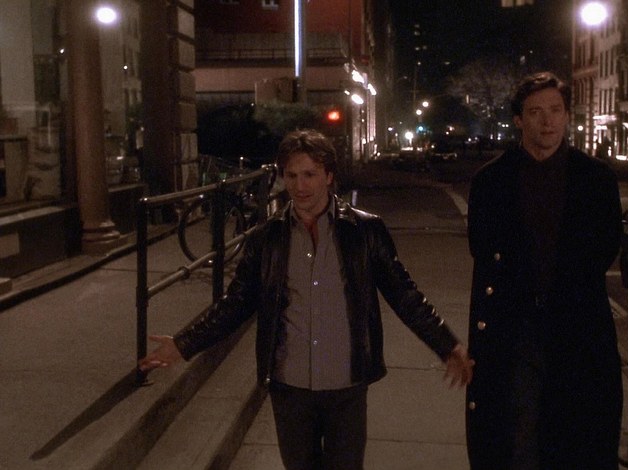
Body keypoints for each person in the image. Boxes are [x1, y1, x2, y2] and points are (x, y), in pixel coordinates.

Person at [139, 129, 473, 470]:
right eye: (292, 175)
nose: (300, 186)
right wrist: (183, 344)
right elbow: (235, 303)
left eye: (310, 174)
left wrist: (446, 344)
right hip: (290, 387)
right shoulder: (267, 238)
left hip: (346, 385)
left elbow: (404, 294)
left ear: (329, 176)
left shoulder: (364, 231)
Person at [465, 72, 624, 469]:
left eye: (555, 110)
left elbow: (605, 247)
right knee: (517, 437)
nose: (547, 121)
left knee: (576, 435)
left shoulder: (596, 179)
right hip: (515, 329)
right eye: (536, 112)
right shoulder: (491, 181)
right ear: (519, 120)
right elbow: (482, 249)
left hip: (577, 326)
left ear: (567, 115)